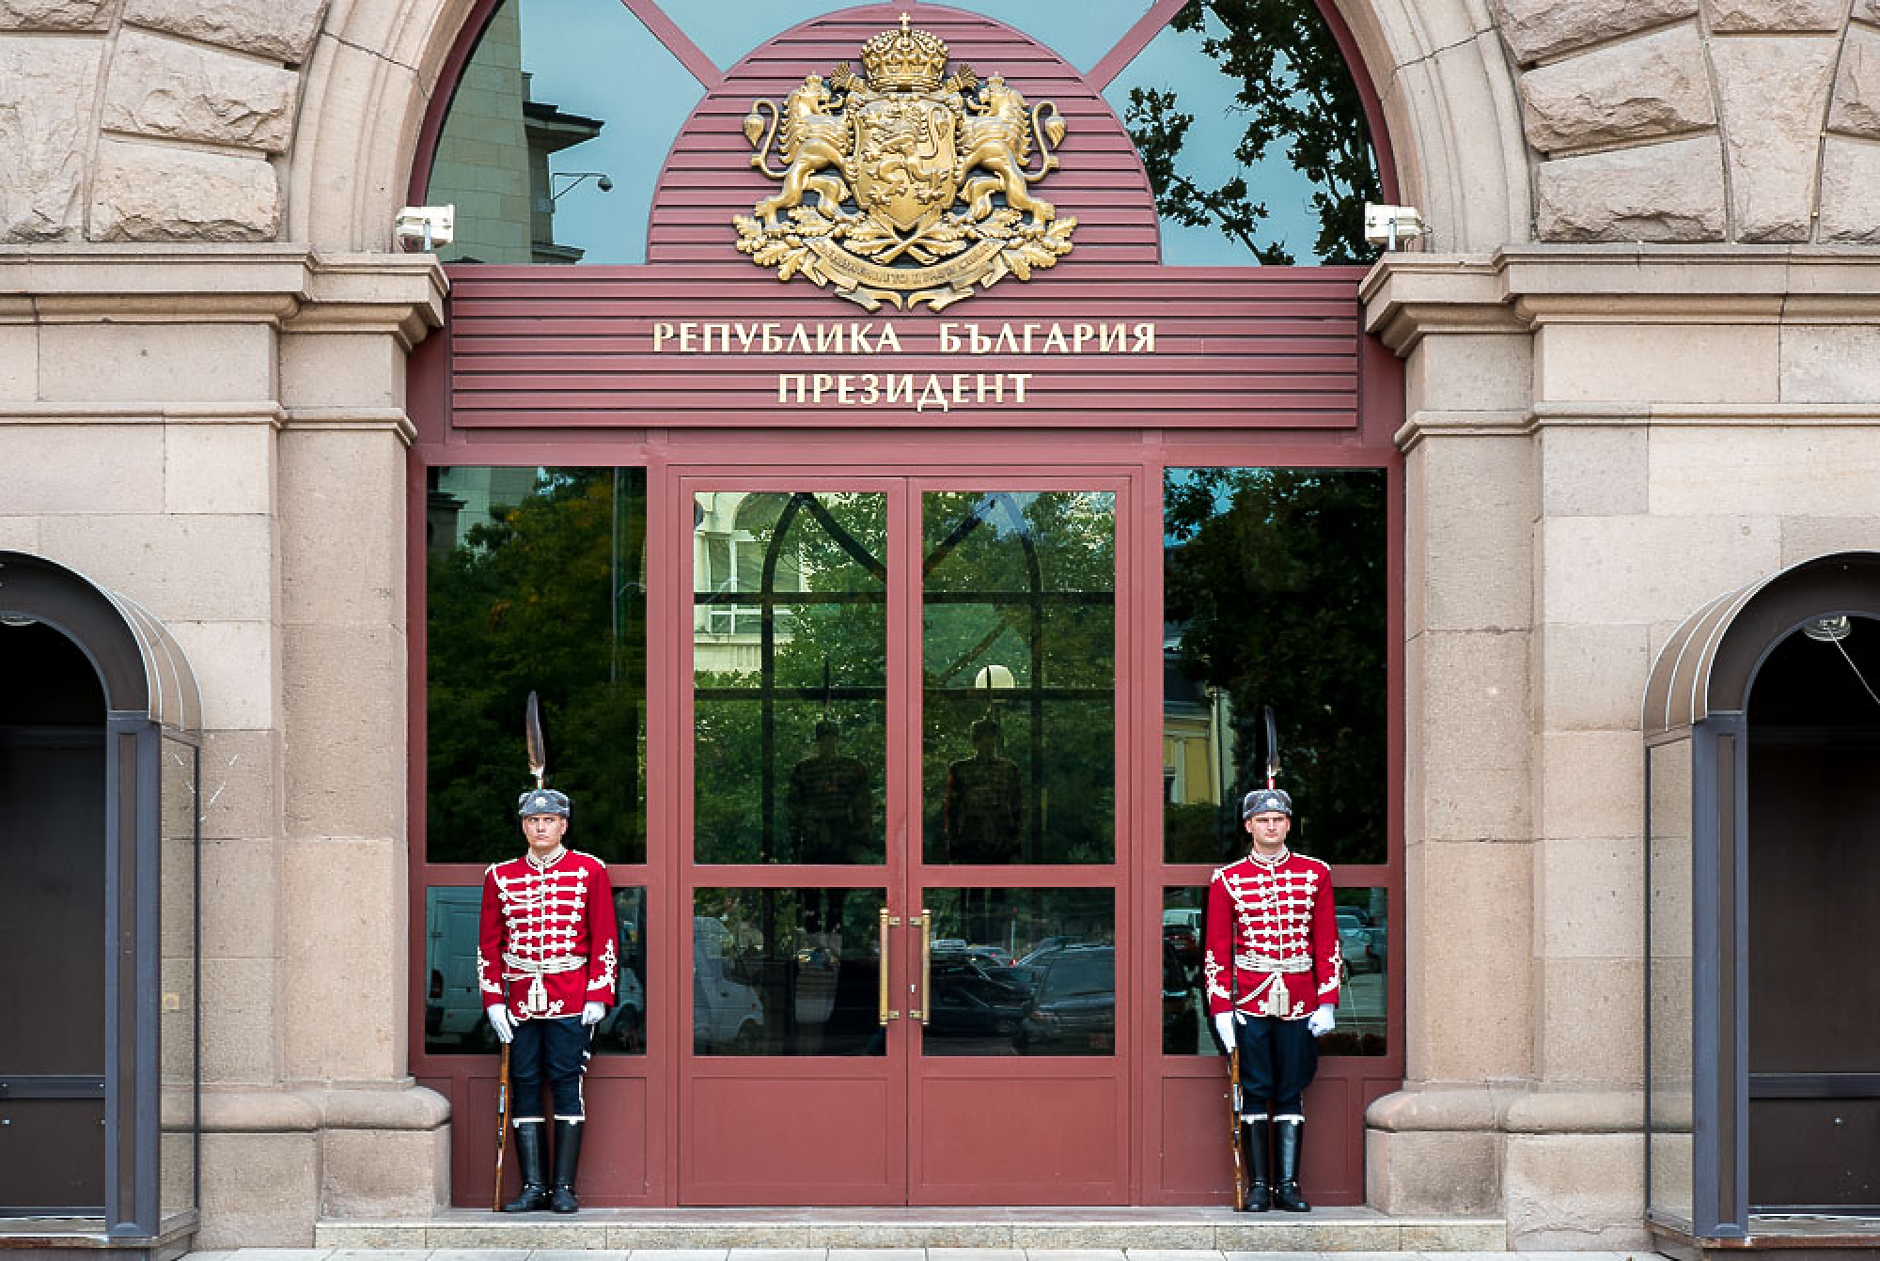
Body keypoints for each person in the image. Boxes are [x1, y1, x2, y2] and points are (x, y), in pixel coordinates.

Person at [478, 786, 619, 1213]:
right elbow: (488, 945)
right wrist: (492, 1001)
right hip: (519, 998)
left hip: (572, 995)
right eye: (533, 821)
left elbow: (604, 936)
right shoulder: (500, 876)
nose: (541, 828)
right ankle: (533, 1187)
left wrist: (599, 993)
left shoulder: (589, 870)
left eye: (549, 821)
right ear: (524, 826)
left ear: (563, 825)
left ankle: (564, 1189)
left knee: (565, 1085)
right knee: (523, 1086)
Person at [1203, 787, 1340, 1212]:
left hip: (1300, 1000)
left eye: (1278, 819)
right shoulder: (1227, 879)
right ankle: (1260, 1185)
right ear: (1248, 826)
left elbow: (1326, 941)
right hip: (1250, 1000)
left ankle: (1289, 1185)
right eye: (1263, 820)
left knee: (1290, 1090)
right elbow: (1216, 950)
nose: (1271, 826)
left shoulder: (1316, 873)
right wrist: (1222, 1009)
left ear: (1288, 824)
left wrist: (1327, 1000)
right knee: (1255, 1088)